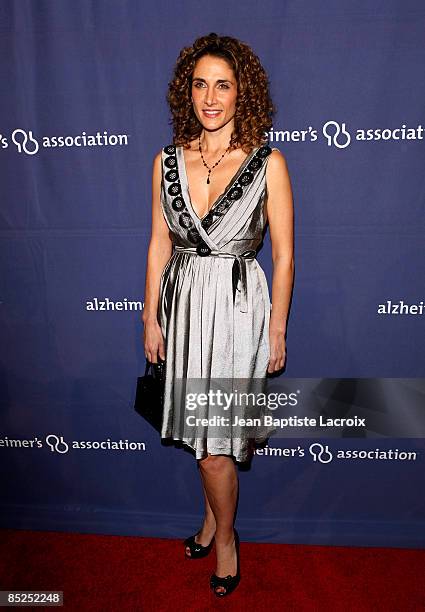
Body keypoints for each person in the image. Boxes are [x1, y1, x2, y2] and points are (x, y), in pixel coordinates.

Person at [142, 32, 294, 597]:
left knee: (214, 449)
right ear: (188, 92)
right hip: (182, 307)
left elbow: (284, 256)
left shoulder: (267, 163)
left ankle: (226, 538)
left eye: (223, 85)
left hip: (236, 310)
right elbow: (159, 244)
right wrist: (149, 317)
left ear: (241, 93)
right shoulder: (165, 161)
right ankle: (211, 520)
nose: (210, 97)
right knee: (198, 436)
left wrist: (276, 327)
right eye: (200, 84)